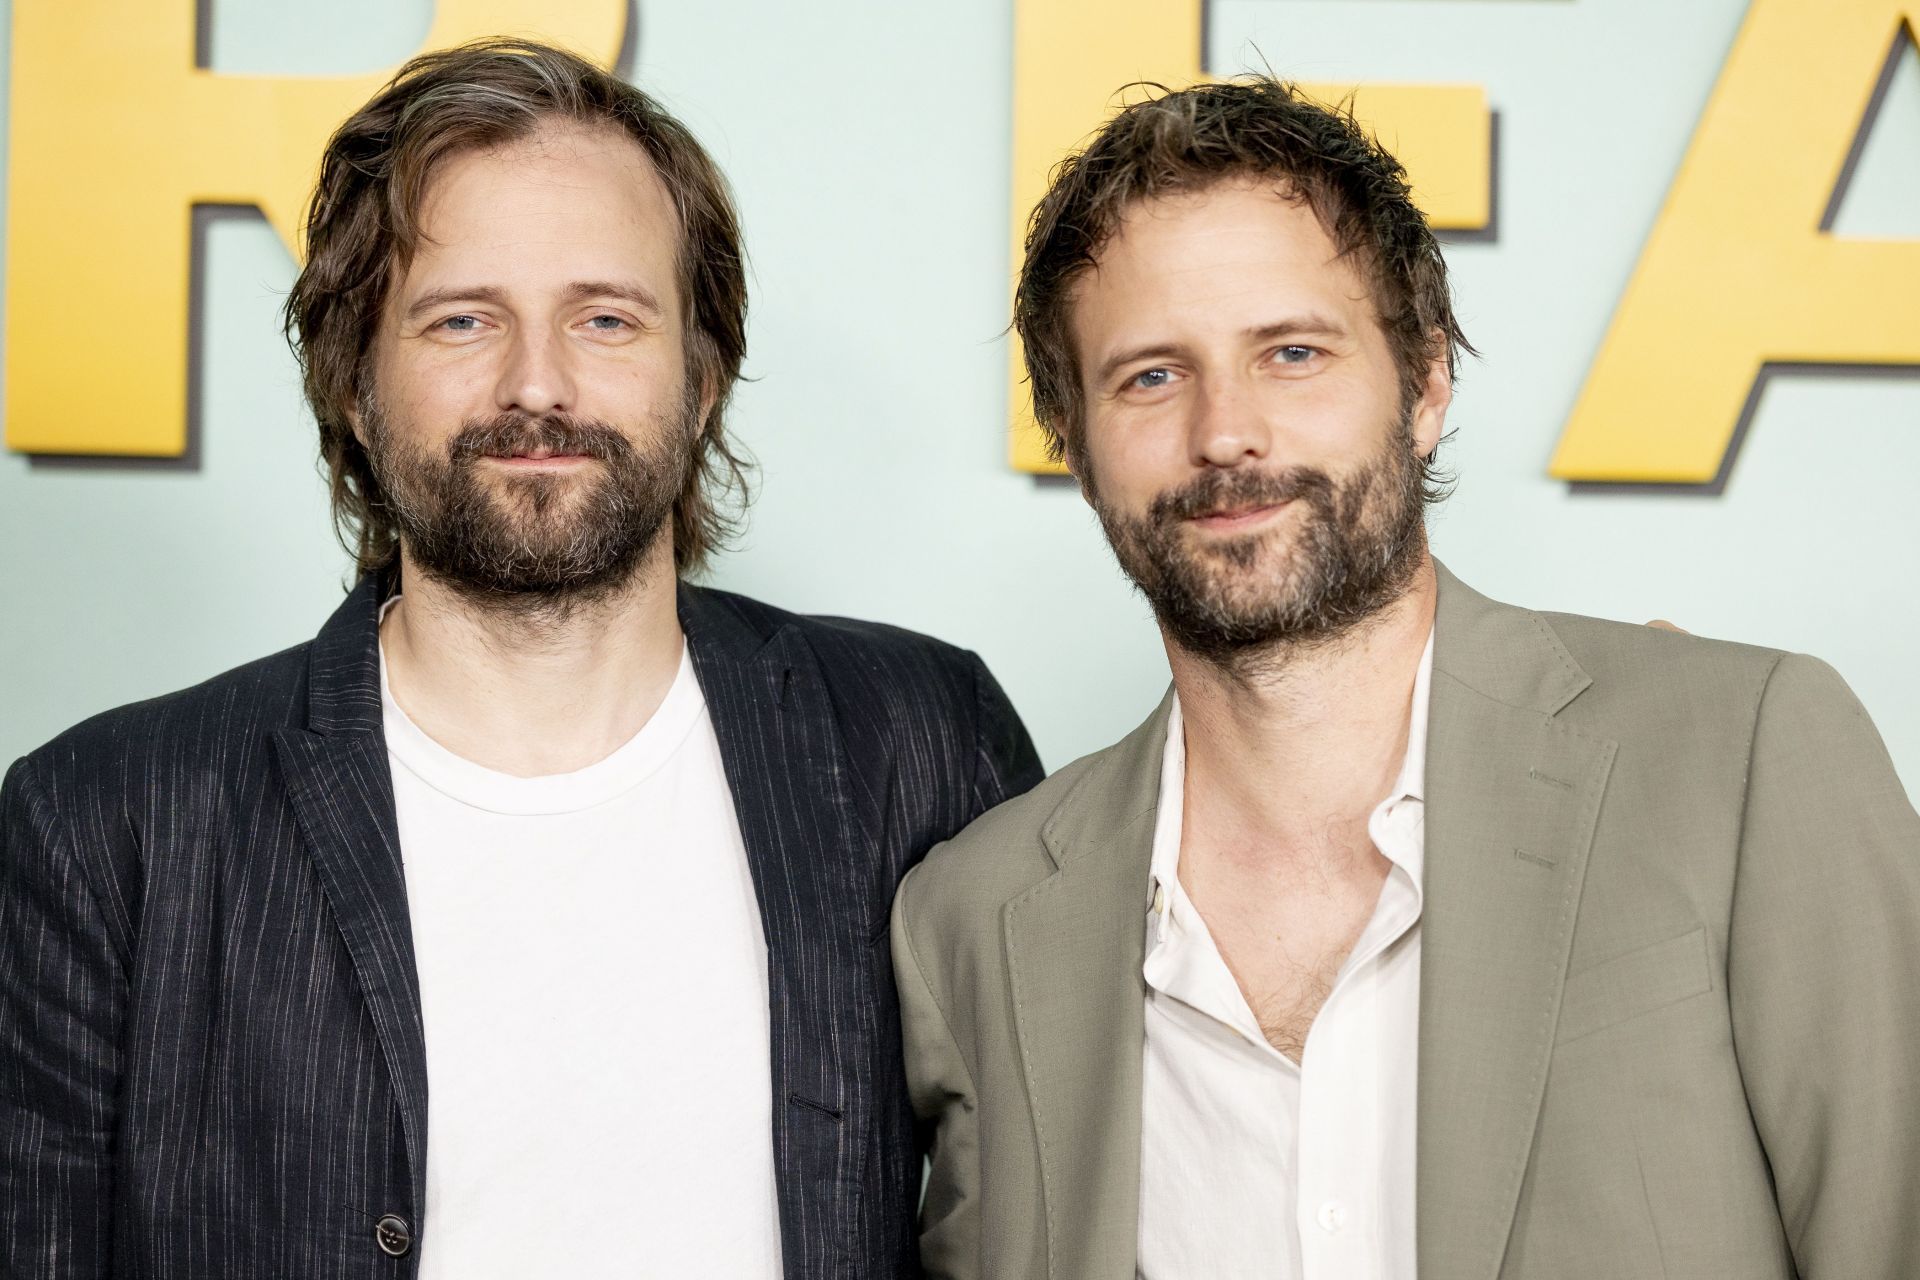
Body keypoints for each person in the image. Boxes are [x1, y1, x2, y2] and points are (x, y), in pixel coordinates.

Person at [0, 40, 1040, 1279]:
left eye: (605, 317)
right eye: (461, 318)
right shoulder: (105, 820)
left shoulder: (920, 737)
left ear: (701, 374)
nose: (536, 383)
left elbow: (1033, 1206)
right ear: (353, 380)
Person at [893, 77, 1920, 1280]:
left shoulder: (1740, 760)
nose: (1228, 431)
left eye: (1292, 351)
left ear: (1426, 384)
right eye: (1152, 376)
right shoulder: (970, 919)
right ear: (1075, 441)